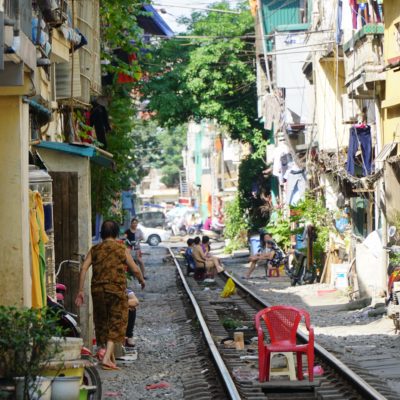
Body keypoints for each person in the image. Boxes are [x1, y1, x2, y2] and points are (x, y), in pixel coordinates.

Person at [75, 220, 145, 370]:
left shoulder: (95, 249)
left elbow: (84, 268)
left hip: (98, 290)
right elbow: (135, 269)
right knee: (116, 322)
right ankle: (106, 358)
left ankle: (109, 358)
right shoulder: (121, 248)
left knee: (102, 322)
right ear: (115, 233)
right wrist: (141, 280)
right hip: (116, 290)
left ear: (101, 234)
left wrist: (80, 290)